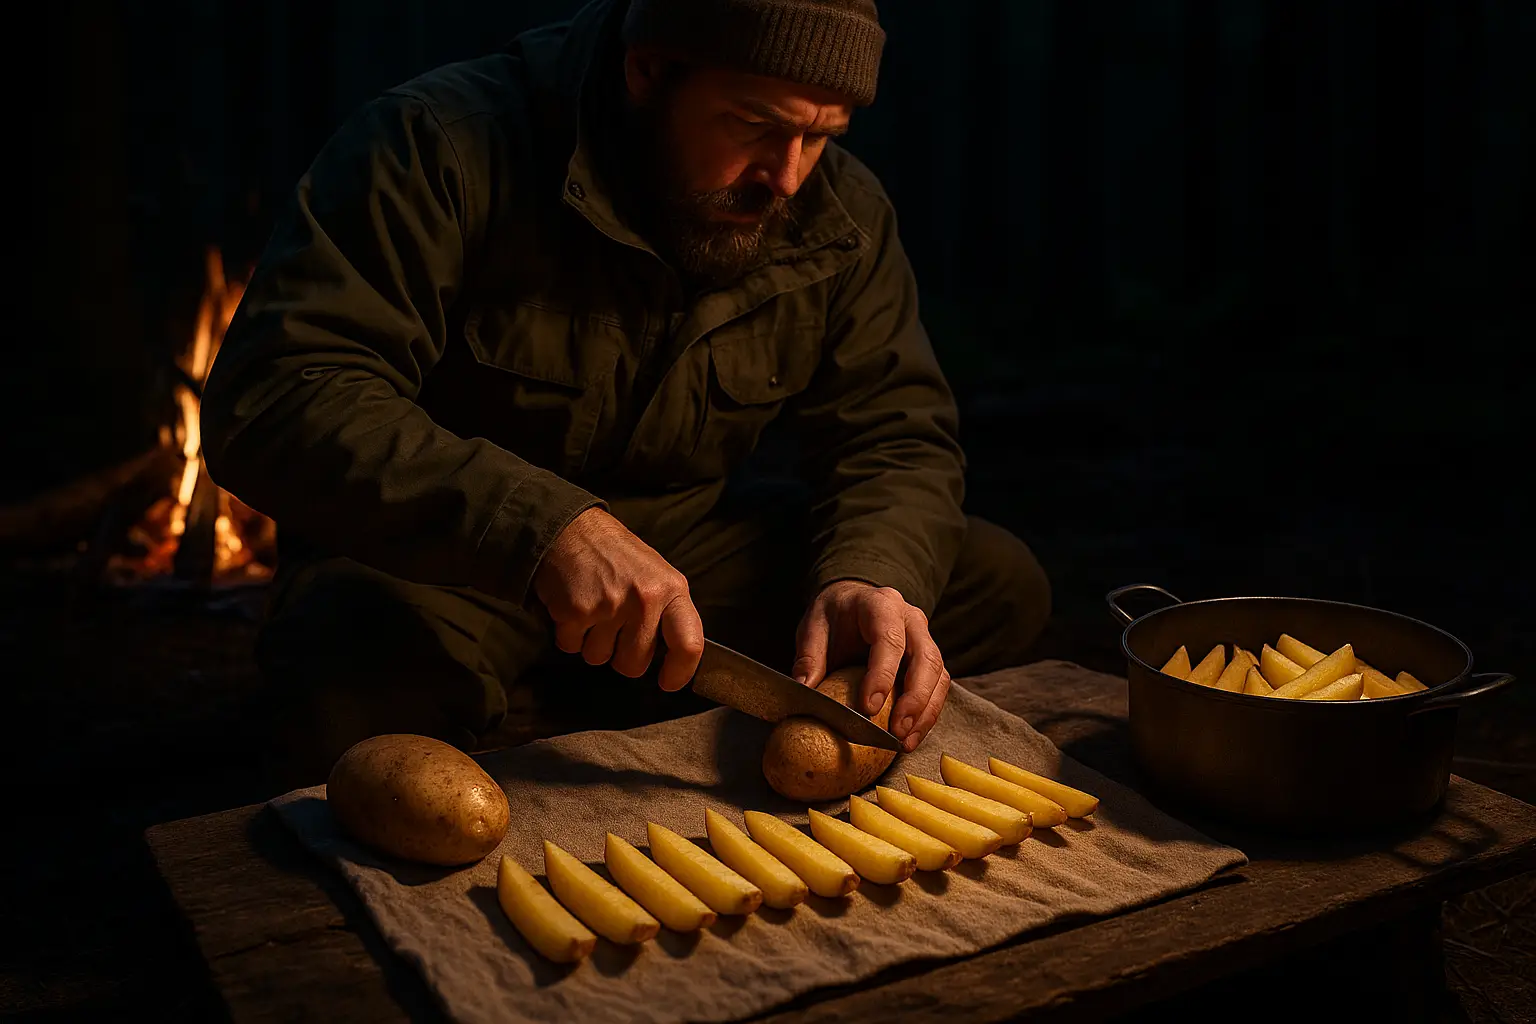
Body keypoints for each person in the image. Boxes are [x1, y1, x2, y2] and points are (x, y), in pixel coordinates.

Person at [202, 0, 1051, 788]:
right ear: (647, 71)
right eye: (755, 125)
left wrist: (870, 574)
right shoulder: (439, 147)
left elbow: (895, 435)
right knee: (341, 687)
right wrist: (543, 527)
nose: (787, 177)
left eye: (821, 135)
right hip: (454, 568)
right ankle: (580, 720)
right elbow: (280, 395)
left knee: (987, 583)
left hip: (685, 574)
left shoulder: (838, 211)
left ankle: (565, 721)